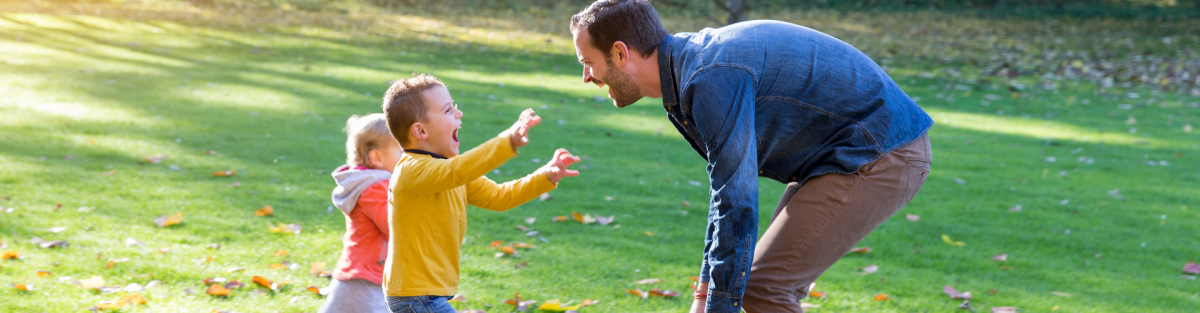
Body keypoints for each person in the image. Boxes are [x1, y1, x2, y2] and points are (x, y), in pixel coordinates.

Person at [568, 1, 934, 312]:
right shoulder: (688, 73)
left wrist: (717, 305)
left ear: (620, 52)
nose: (587, 76)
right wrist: (705, 293)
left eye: (588, 62)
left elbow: (737, 202)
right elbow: (725, 193)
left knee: (766, 288)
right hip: (841, 155)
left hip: (881, 151)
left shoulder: (708, 78)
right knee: (765, 286)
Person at [378, 74, 580, 313]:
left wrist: (545, 176)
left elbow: (498, 196)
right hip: (414, 296)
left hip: (426, 295)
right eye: (447, 110)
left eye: (455, 106)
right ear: (420, 130)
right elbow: (458, 170)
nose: (458, 113)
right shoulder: (412, 171)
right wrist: (508, 142)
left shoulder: (450, 171)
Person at [319, 113, 401, 313]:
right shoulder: (375, 188)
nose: (408, 157)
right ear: (376, 157)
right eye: (401, 150)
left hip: (369, 275)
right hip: (363, 279)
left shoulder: (379, 183)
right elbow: (395, 226)